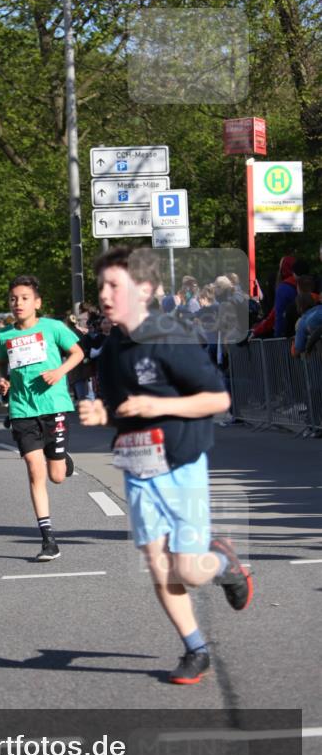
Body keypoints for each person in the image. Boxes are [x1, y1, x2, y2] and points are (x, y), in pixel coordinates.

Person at [79, 245, 254, 685]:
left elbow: (218, 399)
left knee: (189, 572)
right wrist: (105, 414)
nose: (104, 293)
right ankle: (195, 649)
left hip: (180, 464)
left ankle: (225, 562)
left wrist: (154, 403)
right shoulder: (114, 345)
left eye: (114, 284)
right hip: (137, 465)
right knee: (159, 568)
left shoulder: (168, 336)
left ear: (146, 290)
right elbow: (125, 407)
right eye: (101, 285)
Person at [0, 275, 84, 562]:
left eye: (24, 298)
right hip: (21, 409)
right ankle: (48, 539)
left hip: (54, 405)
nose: (18, 303)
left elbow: (78, 353)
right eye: (13, 299)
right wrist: (1, 381)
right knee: (35, 469)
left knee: (56, 476)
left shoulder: (54, 328)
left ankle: (62, 459)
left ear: (37, 302)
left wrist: (59, 373)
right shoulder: (3, 335)